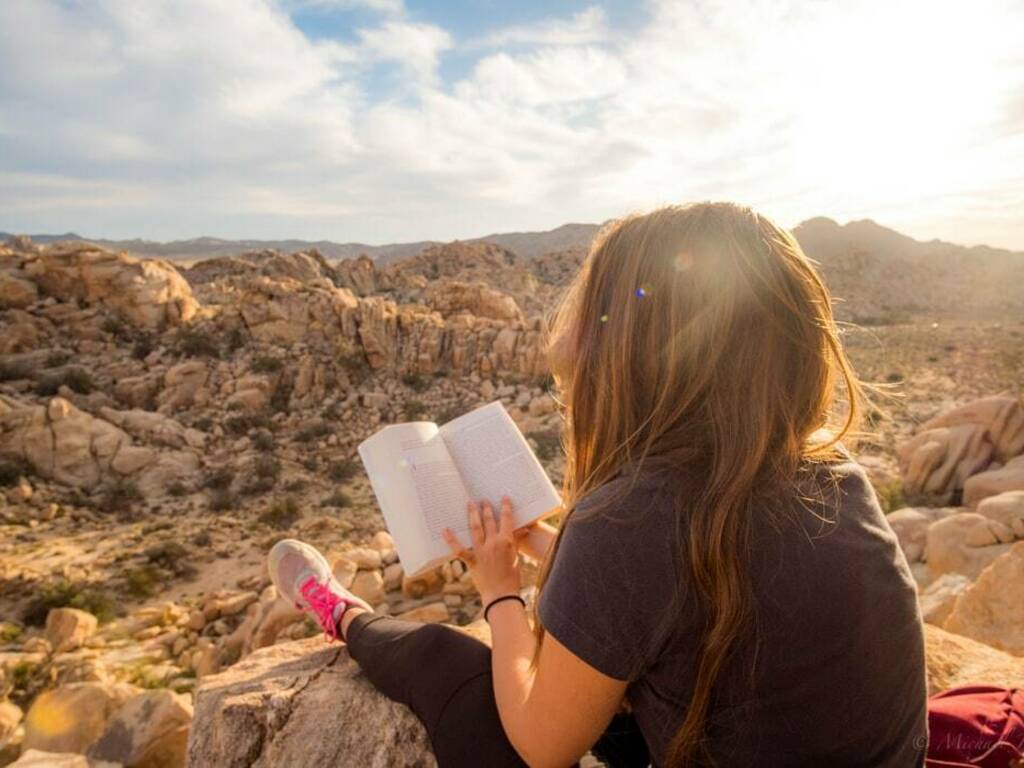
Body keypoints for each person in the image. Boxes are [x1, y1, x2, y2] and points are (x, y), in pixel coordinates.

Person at [268, 201, 929, 767]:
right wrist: (551, 547)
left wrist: (500, 593)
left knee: (448, 662)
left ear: (633, 357)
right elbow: (685, 591)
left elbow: (542, 745)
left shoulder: (633, 517)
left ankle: (338, 611)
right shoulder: (836, 480)